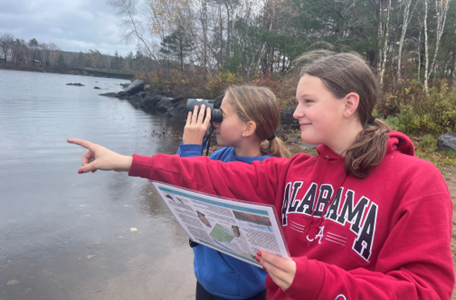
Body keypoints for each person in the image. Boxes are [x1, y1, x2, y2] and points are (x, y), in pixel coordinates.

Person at [68, 52, 454, 300]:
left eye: (308, 102)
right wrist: (124, 161)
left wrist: (315, 281)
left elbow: (425, 291)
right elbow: (208, 175)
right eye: (297, 102)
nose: (296, 113)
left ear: (349, 104)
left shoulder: (417, 181)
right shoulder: (293, 171)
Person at [178, 85, 291, 300]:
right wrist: (193, 144)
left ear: (248, 128)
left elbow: (235, 236)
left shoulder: (265, 173)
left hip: (240, 288)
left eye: (222, 115)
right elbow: (177, 181)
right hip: (208, 277)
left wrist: (192, 151)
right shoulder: (222, 155)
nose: (215, 120)